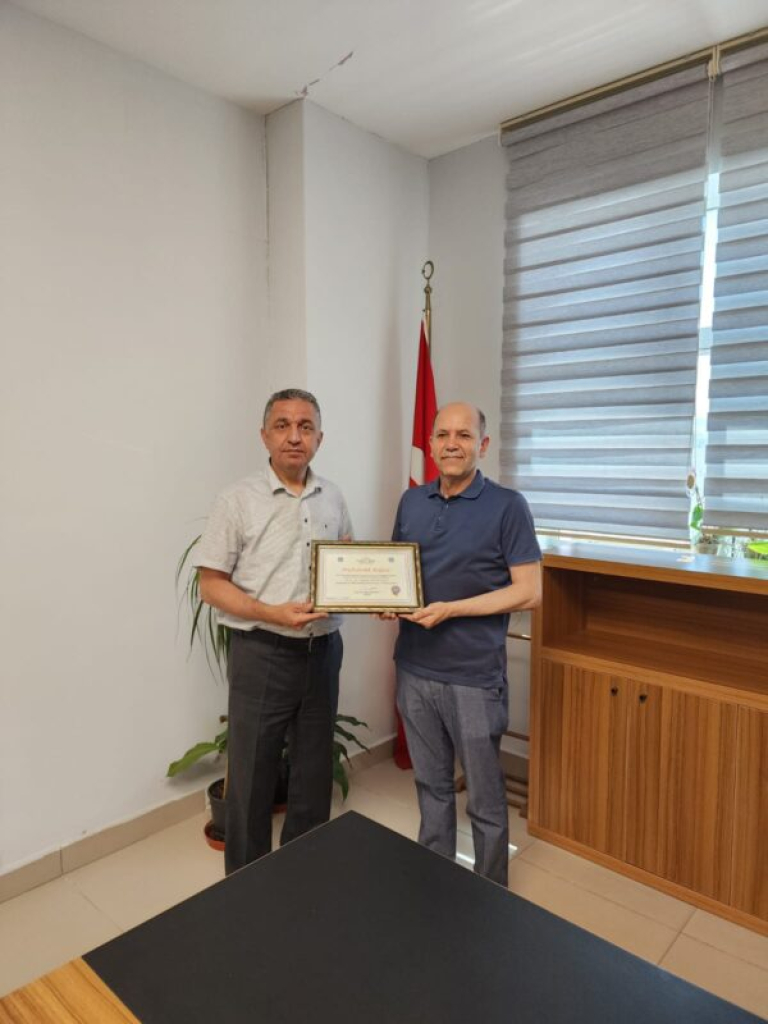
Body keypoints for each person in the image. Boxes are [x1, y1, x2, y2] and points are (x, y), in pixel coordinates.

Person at [195, 388, 352, 875]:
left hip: (323, 653)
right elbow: (210, 585)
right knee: (251, 779)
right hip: (262, 653)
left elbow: (348, 563)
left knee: (313, 774)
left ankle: (301, 880)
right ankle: (247, 889)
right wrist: (271, 613)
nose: (294, 437)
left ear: (320, 438)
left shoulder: (334, 497)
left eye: (306, 427)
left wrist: (379, 598)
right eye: (283, 426)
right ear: (264, 436)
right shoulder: (236, 499)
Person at [389, 402, 541, 886]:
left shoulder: (508, 506)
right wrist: (384, 601)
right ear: (431, 444)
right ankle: (437, 887)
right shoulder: (411, 501)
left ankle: (489, 895)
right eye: (442, 435)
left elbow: (529, 592)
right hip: (414, 669)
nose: (451, 444)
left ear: (483, 445)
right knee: (430, 787)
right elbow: (397, 574)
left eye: (464, 435)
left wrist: (452, 609)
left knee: (484, 799)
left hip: (473, 677)